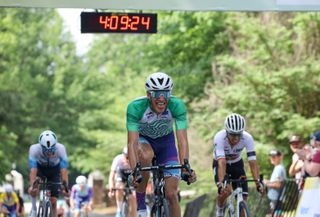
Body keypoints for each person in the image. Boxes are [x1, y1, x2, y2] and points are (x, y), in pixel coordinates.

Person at [126, 72, 197, 217]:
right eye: (156, 93)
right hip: (144, 142)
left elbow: (182, 140)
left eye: (165, 93)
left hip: (167, 145)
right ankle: (141, 208)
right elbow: (132, 143)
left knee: (172, 194)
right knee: (146, 155)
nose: (161, 98)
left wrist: (185, 166)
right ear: (148, 95)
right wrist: (135, 171)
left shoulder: (177, 105)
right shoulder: (135, 107)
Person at [212, 113, 264, 217]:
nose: (235, 138)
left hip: (237, 164)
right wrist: (222, 183)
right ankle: (220, 208)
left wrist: (258, 183)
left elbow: (252, 162)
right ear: (226, 132)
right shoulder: (219, 137)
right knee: (225, 191)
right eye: (232, 135)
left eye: (238, 135)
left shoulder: (248, 138)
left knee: (243, 196)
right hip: (222, 164)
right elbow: (221, 162)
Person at [28, 130, 69, 217]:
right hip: (40, 170)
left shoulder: (61, 148)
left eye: (52, 150)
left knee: (53, 201)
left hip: (54, 171)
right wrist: (32, 186)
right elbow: (33, 170)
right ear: (41, 146)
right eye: (46, 151)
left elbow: (64, 170)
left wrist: (65, 186)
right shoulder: (34, 149)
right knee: (34, 188)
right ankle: (34, 209)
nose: (49, 153)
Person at [108, 147, 136, 217]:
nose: (128, 159)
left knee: (133, 197)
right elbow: (112, 175)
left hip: (131, 176)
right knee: (119, 187)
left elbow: (139, 176)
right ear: (123, 155)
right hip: (121, 175)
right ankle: (119, 209)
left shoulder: (135, 159)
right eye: (126, 157)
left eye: (129, 157)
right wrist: (111, 186)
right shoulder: (118, 159)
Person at [264, 150, 286, 216]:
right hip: (275, 198)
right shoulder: (277, 167)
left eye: (274, 156)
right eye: (271, 156)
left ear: (280, 157)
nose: (272, 158)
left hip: (276, 198)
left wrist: (266, 183)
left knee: (277, 215)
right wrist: (268, 181)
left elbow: (277, 184)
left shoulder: (279, 168)